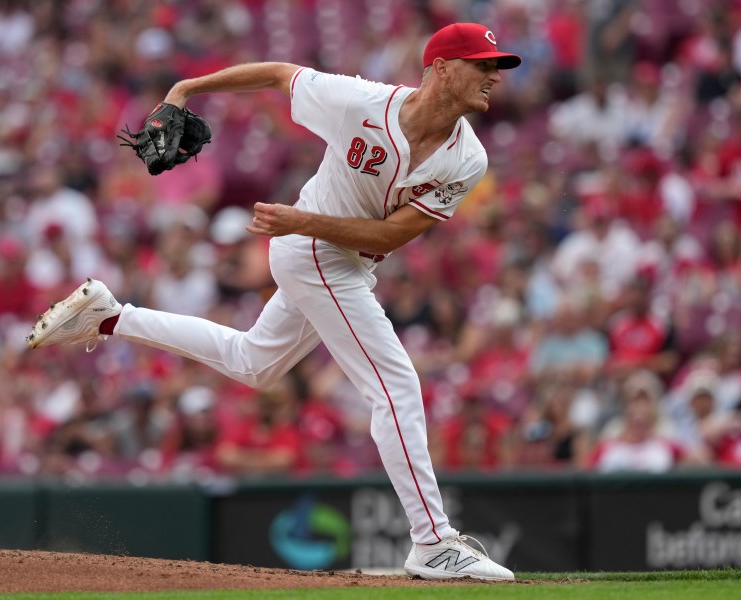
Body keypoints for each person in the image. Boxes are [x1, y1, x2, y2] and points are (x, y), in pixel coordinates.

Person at [26, 22, 520, 581]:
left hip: (331, 247)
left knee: (253, 362)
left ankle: (112, 316)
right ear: (441, 67)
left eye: (496, 67)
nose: (492, 77)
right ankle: (433, 541)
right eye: (483, 64)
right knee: (395, 384)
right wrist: (185, 88)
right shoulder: (360, 103)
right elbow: (280, 74)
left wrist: (297, 219)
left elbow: (387, 238)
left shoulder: (468, 158)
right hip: (314, 254)